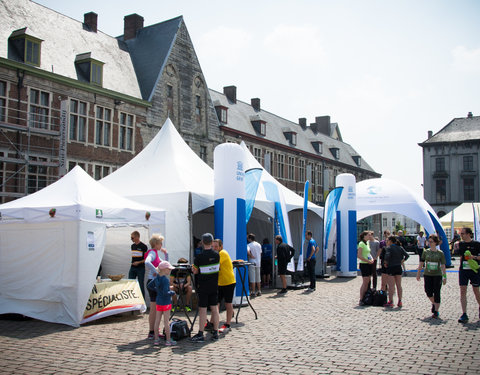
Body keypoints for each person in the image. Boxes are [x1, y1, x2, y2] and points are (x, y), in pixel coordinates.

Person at [190, 233, 220, 342]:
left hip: (203, 286)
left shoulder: (199, 257)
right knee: (214, 309)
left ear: (202, 243)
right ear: (212, 242)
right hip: (214, 285)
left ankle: (201, 333)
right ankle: (216, 332)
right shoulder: (217, 255)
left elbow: (195, 270)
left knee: (202, 310)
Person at [416, 234, 446, 319]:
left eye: (431, 241)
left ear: (435, 242)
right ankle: (433, 303)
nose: (429, 243)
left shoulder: (440, 253)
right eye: (429, 241)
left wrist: (444, 276)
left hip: (437, 275)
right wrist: (418, 273)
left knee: (437, 292)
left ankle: (436, 310)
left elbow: (443, 265)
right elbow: (421, 263)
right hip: (428, 274)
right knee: (428, 291)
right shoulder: (426, 252)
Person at [145, 233, 168, 340]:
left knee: (155, 308)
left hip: (154, 282)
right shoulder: (152, 253)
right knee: (154, 309)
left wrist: (165, 254)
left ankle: (153, 331)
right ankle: (152, 331)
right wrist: (155, 271)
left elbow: (165, 263)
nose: (162, 245)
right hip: (153, 282)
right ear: (156, 244)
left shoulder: (155, 253)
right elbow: (147, 262)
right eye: (161, 243)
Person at [457, 227, 480, 323]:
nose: (461, 235)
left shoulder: (476, 244)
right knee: (463, 290)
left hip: (474, 271)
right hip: (464, 270)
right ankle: (464, 313)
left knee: (476, 291)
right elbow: (461, 256)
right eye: (461, 234)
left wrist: (473, 257)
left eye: (463, 234)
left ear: (469, 234)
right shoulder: (461, 244)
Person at [150, 261, 176, 346]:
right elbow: (166, 292)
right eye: (169, 269)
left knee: (157, 321)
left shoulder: (157, 277)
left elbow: (149, 286)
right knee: (166, 322)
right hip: (166, 302)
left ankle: (156, 339)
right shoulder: (165, 279)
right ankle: (168, 340)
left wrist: (157, 290)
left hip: (158, 302)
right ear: (164, 269)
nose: (170, 271)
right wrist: (172, 292)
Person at [213, 239, 236, 334]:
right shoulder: (217, 254)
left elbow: (216, 266)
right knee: (216, 303)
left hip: (228, 282)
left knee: (228, 303)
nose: (214, 248)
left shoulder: (222, 253)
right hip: (220, 282)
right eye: (213, 247)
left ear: (221, 246)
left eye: (216, 247)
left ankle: (227, 324)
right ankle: (212, 322)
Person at [384, 235, 409, 308]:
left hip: (391, 267)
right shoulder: (400, 247)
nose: (387, 242)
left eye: (388, 240)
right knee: (399, 285)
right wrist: (402, 261)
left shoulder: (389, 248)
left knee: (391, 286)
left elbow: (387, 256)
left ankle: (391, 301)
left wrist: (385, 263)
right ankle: (400, 301)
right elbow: (407, 255)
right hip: (398, 267)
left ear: (391, 241)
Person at [128, 231, 148, 299]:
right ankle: (132, 301)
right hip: (133, 267)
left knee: (140, 285)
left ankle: (142, 302)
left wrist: (138, 262)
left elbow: (146, 259)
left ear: (137, 237)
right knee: (130, 283)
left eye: (132, 237)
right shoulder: (132, 246)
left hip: (140, 268)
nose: (131, 239)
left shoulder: (144, 246)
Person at [357, 231, 374, 305]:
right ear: (364, 236)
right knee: (365, 281)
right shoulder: (361, 244)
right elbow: (359, 255)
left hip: (369, 263)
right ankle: (361, 298)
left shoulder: (368, 243)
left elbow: (368, 253)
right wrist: (367, 260)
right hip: (364, 264)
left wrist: (372, 259)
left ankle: (366, 297)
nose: (370, 236)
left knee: (368, 281)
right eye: (368, 235)